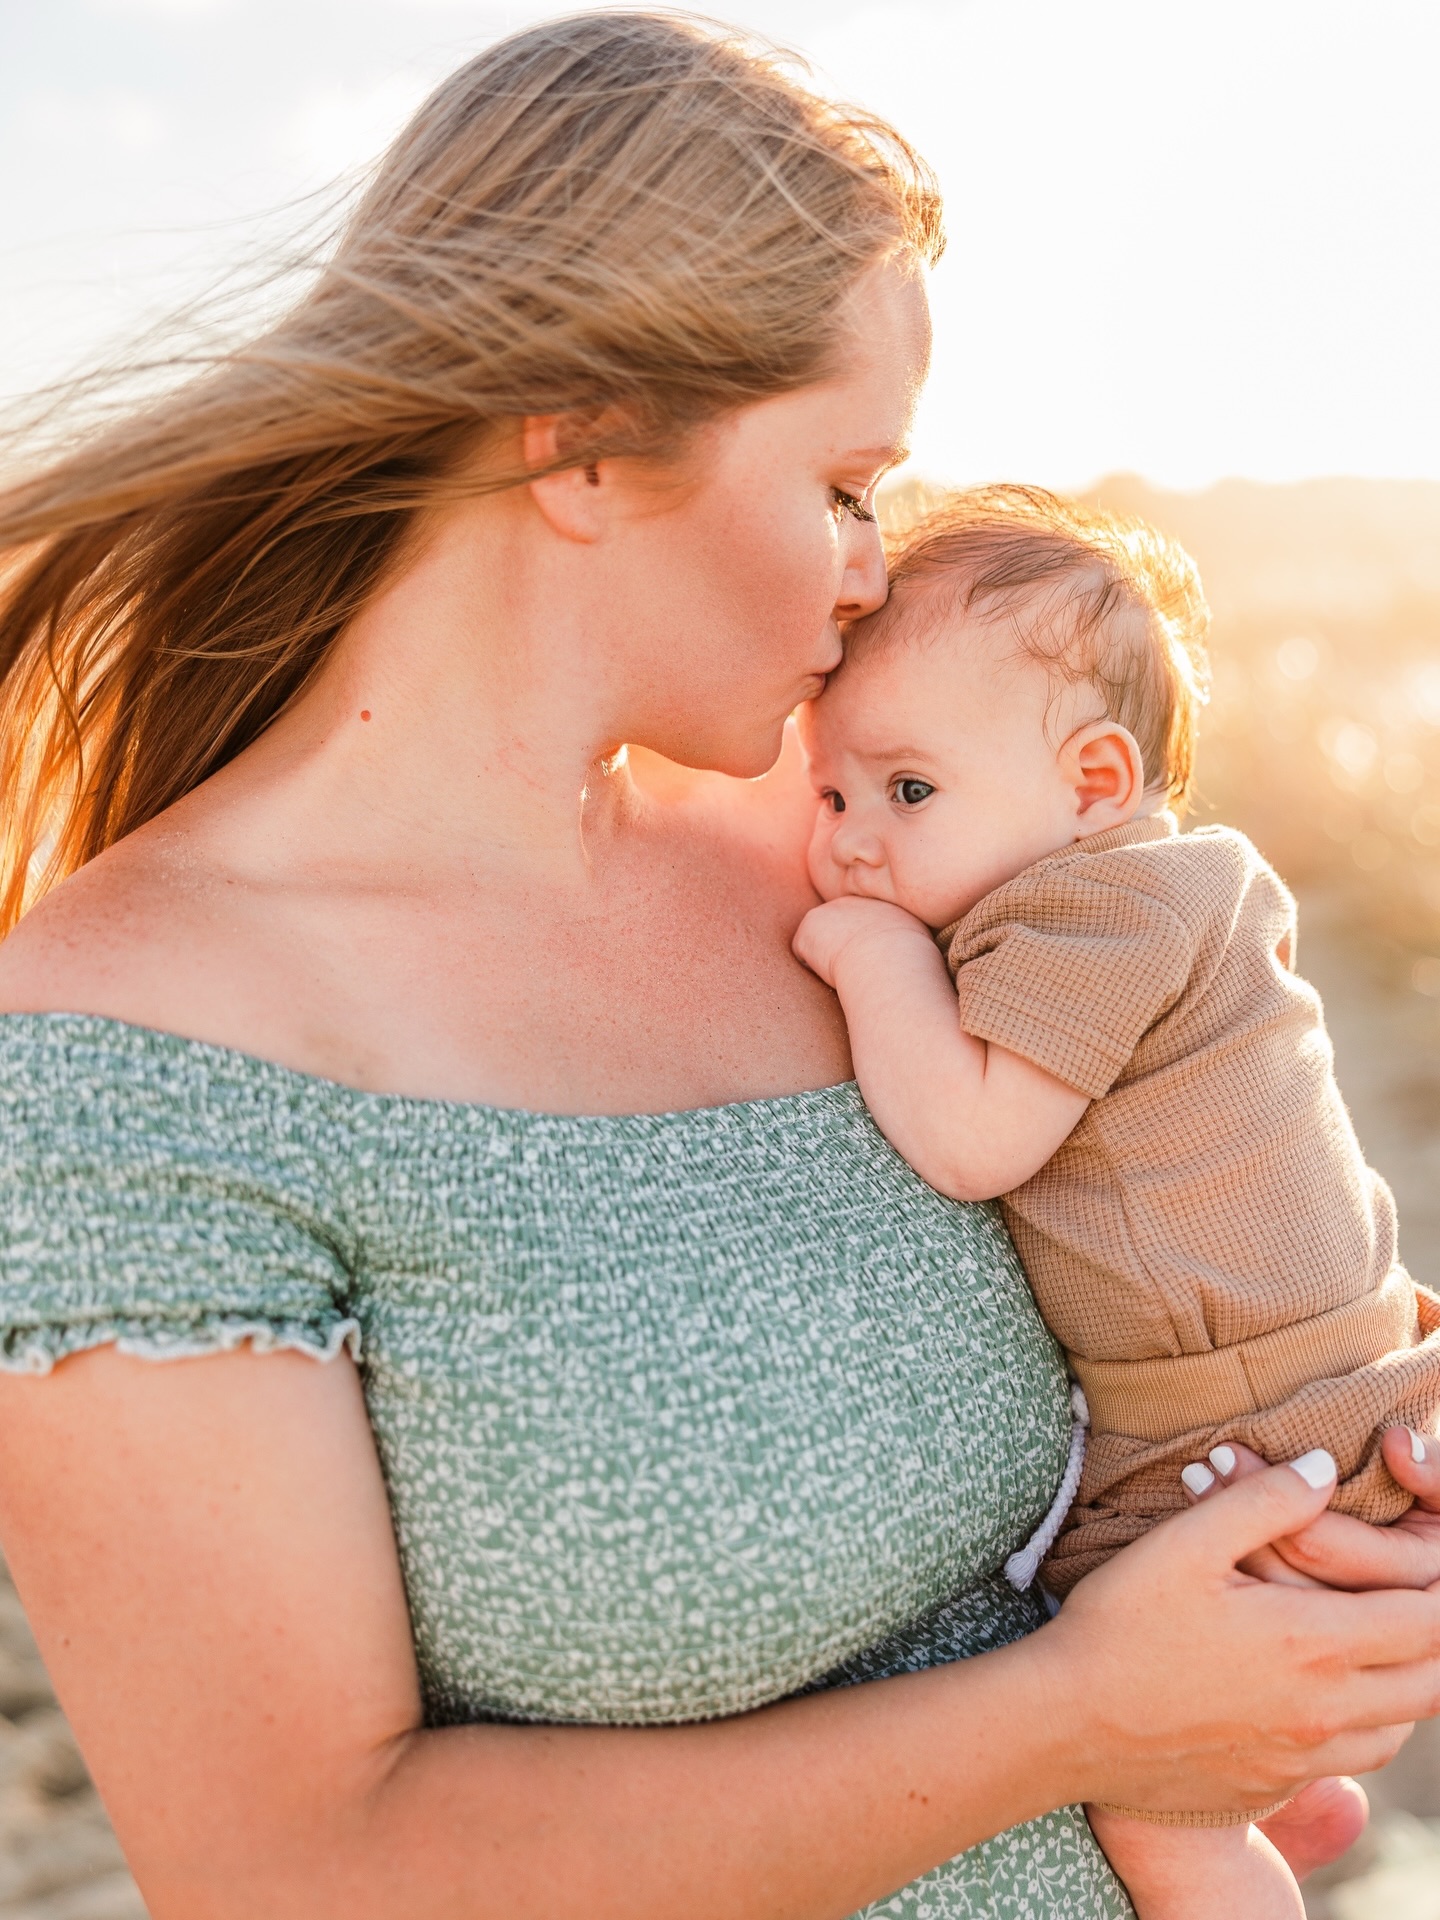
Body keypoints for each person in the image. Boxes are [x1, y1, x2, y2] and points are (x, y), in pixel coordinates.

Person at [0, 16, 1437, 1919]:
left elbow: (1197, 1131)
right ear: (585, 437)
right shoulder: (124, 1053)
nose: (873, 569)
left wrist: (1370, 1432)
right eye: (844, 484)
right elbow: (292, 1872)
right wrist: (1091, 1719)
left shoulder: (840, 837)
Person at [791, 484, 1440, 1917]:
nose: (849, 844)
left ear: (1095, 783)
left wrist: (872, 958)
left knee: (1161, 1814)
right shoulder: (1161, 892)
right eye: (829, 796)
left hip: (1245, 1433)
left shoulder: (1092, 909)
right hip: (1313, 1395)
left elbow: (973, 1140)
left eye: (907, 791)